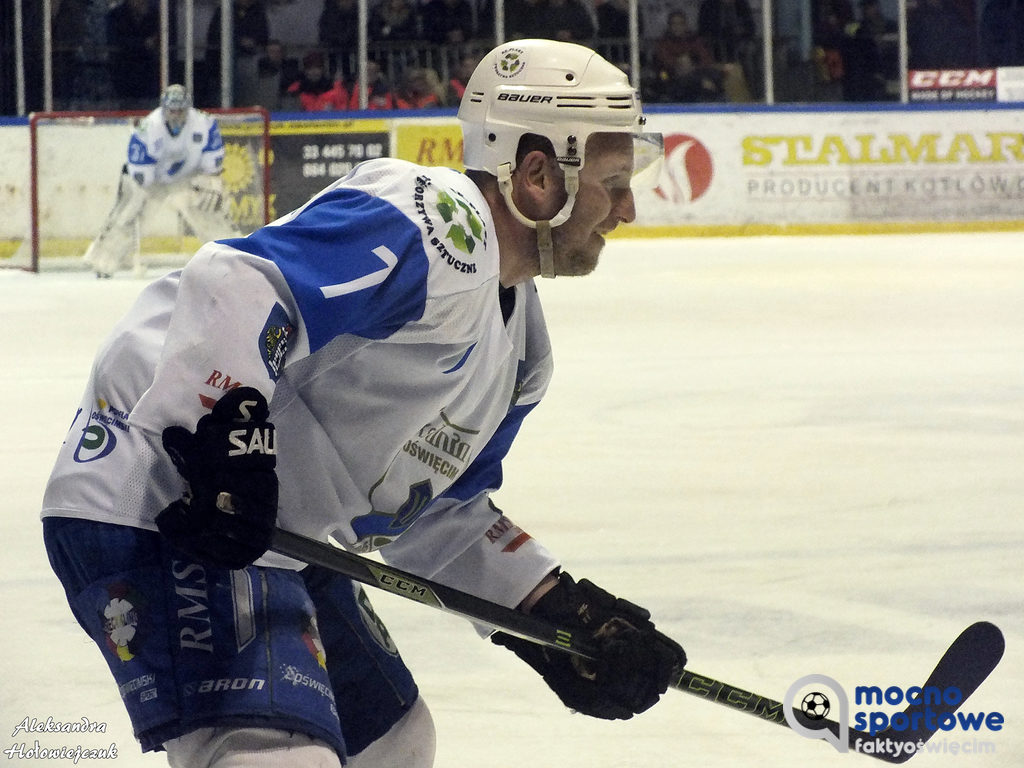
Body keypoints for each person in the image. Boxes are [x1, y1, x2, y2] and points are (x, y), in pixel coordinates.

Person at [42, 39, 686, 768]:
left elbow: (439, 516)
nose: (628, 207)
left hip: (264, 531)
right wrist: (227, 445)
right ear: (537, 175)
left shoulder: (521, 354)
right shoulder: (442, 225)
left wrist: (555, 612)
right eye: (613, 180)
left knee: (393, 743)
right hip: (163, 496)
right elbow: (239, 282)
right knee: (276, 759)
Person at [82, 85, 239, 278]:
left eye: (180, 110)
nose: (175, 114)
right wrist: (145, 194)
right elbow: (139, 171)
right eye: (171, 110)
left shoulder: (205, 123)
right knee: (128, 212)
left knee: (209, 209)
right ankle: (103, 260)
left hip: (188, 177)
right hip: (152, 179)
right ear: (164, 108)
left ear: (187, 108)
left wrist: (210, 183)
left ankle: (232, 258)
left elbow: (212, 163)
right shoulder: (148, 127)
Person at [106, 0, 161, 106]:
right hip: (124, 70)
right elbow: (115, 41)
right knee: (126, 105)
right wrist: (143, 43)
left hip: (148, 70)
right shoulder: (116, 14)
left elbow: (160, 37)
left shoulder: (154, 14)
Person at [286, 50, 351, 111]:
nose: (314, 72)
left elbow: (343, 114)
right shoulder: (296, 90)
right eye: (310, 68)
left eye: (317, 67)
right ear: (305, 71)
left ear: (323, 69)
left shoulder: (336, 89)